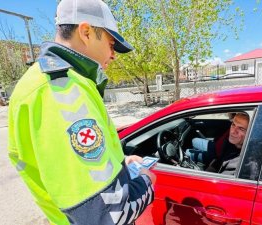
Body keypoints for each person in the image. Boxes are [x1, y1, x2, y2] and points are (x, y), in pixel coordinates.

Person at [8, 0, 156, 224]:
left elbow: (71, 169)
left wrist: (121, 163)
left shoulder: (50, 81)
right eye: (111, 43)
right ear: (86, 31)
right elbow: (107, 215)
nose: (114, 54)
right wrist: (146, 181)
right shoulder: (61, 90)